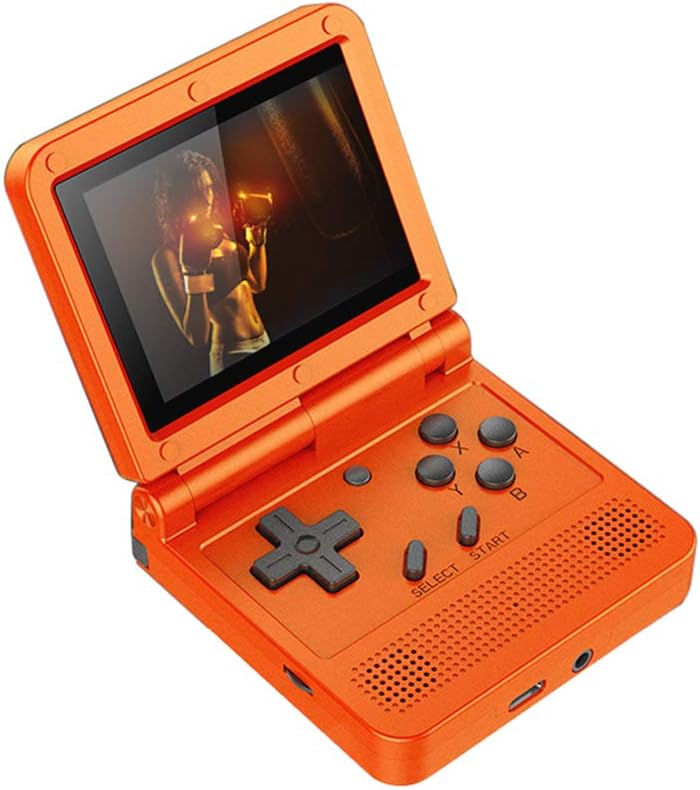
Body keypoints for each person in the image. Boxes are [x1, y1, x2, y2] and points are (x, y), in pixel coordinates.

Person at [151, 150, 270, 376]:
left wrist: (257, 242)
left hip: (264, 339)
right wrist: (194, 273)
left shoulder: (218, 233)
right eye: (197, 192)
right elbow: (197, 336)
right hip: (233, 353)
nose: (208, 198)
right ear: (178, 198)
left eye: (209, 188)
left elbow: (256, 284)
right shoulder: (168, 255)